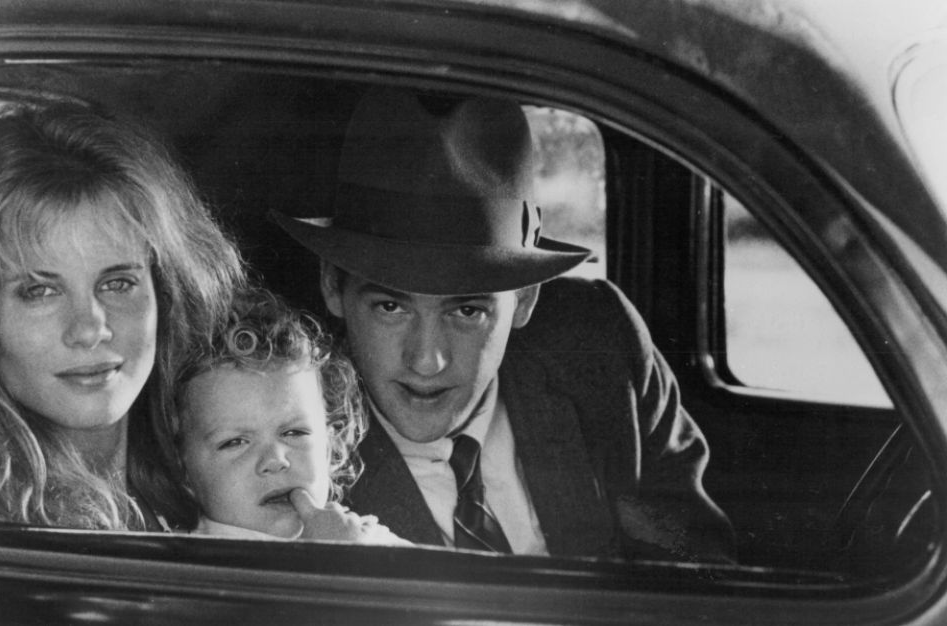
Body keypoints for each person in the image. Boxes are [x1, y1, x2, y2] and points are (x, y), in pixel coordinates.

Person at [272, 87, 735, 561]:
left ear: (525, 298)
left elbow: (698, 570)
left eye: (467, 312)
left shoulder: (601, 346)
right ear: (333, 286)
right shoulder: (281, 438)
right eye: (391, 307)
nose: (427, 361)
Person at [0, 104, 244, 530]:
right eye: (39, 291)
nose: (91, 329)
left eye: (118, 283)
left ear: (165, 292)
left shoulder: (205, 490)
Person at [168, 288, 406, 545]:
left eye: (294, 433)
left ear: (331, 446)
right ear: (183, 470)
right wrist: (339, 560)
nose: (275, 460)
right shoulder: (183, 560)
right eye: (235, 442)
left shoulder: (375, 541)